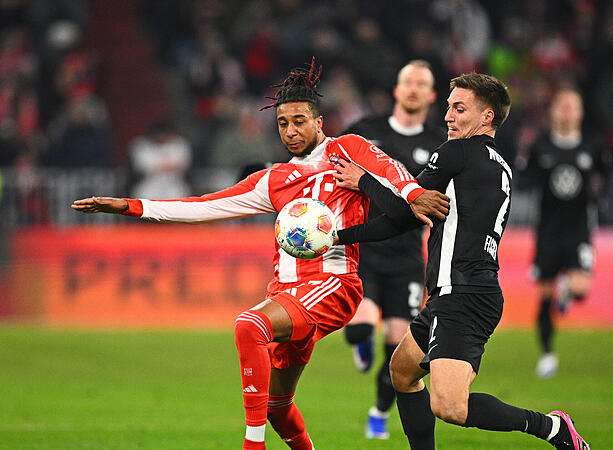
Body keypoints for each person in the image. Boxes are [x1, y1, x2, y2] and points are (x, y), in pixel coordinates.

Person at [71, 59, 449, 450]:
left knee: (248, 326)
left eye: (300, 121)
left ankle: (253, 445)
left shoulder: (348, 150)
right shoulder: (272, 180)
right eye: (283, 123)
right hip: (285, 291)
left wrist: (418, 196)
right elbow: (202, 206)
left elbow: (399, 179)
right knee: (277, 405)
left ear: (319, 122)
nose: (291, 130)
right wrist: (132, 206)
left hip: (332, 285)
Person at [333, 73, 590, 449]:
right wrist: (340, 237)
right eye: (449, 108)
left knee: (450, 406)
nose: (448, 117)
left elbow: (406, 211)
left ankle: (550, 427)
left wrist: (364, 182)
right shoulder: (498, 164)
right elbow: (411, 215)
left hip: (464, 296)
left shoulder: (456, 154)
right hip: (459, 293)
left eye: (459, 108)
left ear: (487, 116)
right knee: (403, 371)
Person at [339, 59, 446, 439]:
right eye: (408, 82)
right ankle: (360, 342)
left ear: (432, 96)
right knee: (359, 330)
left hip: (406, 260)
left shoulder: (438, 145)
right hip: (366, 249)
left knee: (400, 349)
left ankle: (379, 411)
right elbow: (331, 165)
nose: (414, 89)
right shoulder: (365, 131)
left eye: (422, 84)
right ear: (397, 90)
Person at [517, 88, 609, 378]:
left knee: (580, 289)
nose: (567, 112)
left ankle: (569, 291)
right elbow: (526, 178)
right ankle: (546, 354)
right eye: (562, 106)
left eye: (573, 106)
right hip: (548, 230)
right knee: (545, 294)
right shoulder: (540, 145)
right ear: (553, 112)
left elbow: (606, 175)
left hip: (579, 227)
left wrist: (599, 196)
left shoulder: (592, 145)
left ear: (580, 113)